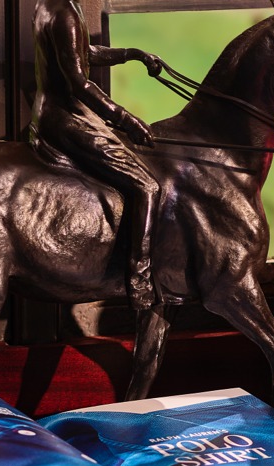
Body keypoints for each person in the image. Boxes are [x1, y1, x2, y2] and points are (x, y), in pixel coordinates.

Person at [30, 0, 167, 310]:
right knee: (148, 186)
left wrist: (132, 54)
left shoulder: (52, 5)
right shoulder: (65, 12)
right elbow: (79, 82)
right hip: (67, 119)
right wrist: (125, 119)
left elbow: (83, 53)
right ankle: (140, 279)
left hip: (51, 114)